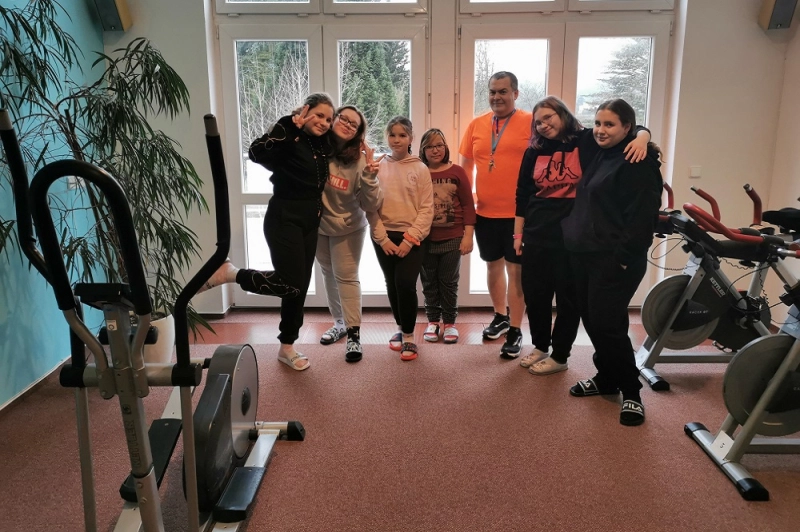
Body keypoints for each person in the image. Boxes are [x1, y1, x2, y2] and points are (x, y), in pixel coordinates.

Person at [513, 96, 651, 376]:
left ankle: (560, 355)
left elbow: (629, 128)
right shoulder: (534, 151)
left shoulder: (585, 140)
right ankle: (540, 345)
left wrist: (643, 138)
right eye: (538, 122)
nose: (543, 125)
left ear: (563, 115)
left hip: (573, 238)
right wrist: (518, 234)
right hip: (537, 235)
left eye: (548, 117)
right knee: (536, 297)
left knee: (568, 301)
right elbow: (522, 194)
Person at [200, 93, 336, 371]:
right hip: (284, 218)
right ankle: (232, 274)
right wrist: (291, 129)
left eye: (329, 119)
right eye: (320, 115)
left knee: (297, 289)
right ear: (305, 110)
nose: (324, 122)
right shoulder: (288, 129)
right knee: (291, 284)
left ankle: (287, 346)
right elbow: (256, 153)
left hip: (311, 221)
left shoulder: (322, 143)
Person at [561, 98, 663, 426]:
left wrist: (624, 260)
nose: (600, 130)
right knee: (593, 321)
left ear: (626, 128)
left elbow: (642, 218)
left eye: (609, 124)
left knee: (609, 324)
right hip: (584, 254)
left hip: (615, 259)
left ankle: (631, 391)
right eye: (598, 123)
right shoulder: (599, 151)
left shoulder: (638, 161)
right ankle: (606, 377)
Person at [459, 71, 532, 359]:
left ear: (515, 93)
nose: (497, 97)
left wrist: (641, 135)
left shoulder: (531, 121)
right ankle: (500, 316)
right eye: (492, 91)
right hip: (486, 212)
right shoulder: (476, 124)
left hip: (519, 215)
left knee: (516, 271)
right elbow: (465, 166)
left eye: (503, 91)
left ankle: (515, 329)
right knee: (492, 266)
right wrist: (470, 200)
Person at [316, 105, 384, 363]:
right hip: (319, 226)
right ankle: (339, 324)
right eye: (343, 118)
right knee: (328, 273)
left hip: (348, 227)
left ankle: (354, 334)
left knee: (346, 277)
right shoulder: (317, 149)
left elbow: (371, 203)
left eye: (353, 124)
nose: (346, 124)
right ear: (334, 120)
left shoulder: (360, 160)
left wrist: (370, 177)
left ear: (358, 133)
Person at [368, 116, 433, 361]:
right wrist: (382, 238)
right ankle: (400, 326)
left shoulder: (420, 168)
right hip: (383, 235)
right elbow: (370, 206)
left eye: (402, 135)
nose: (397, 140)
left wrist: (409, 239)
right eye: (392, 135)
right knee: (392, 283)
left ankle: (408, 335)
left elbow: (426, 209)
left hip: (411, 237)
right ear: (386, 137)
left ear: (411, 139)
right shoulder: (377, 166)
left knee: (405, 283)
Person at [418, 128, 476, 344]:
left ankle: (450, 323)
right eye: (430, 146)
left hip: (453, 237)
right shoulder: (418, 171)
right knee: (429, 282)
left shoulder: (457, 172)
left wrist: (468, 236)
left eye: (439, 145)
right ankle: (433, 321)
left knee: (449, 282)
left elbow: (468, 205)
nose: (435, 150)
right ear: (423, 150)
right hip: (424, 238)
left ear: (445, 147)